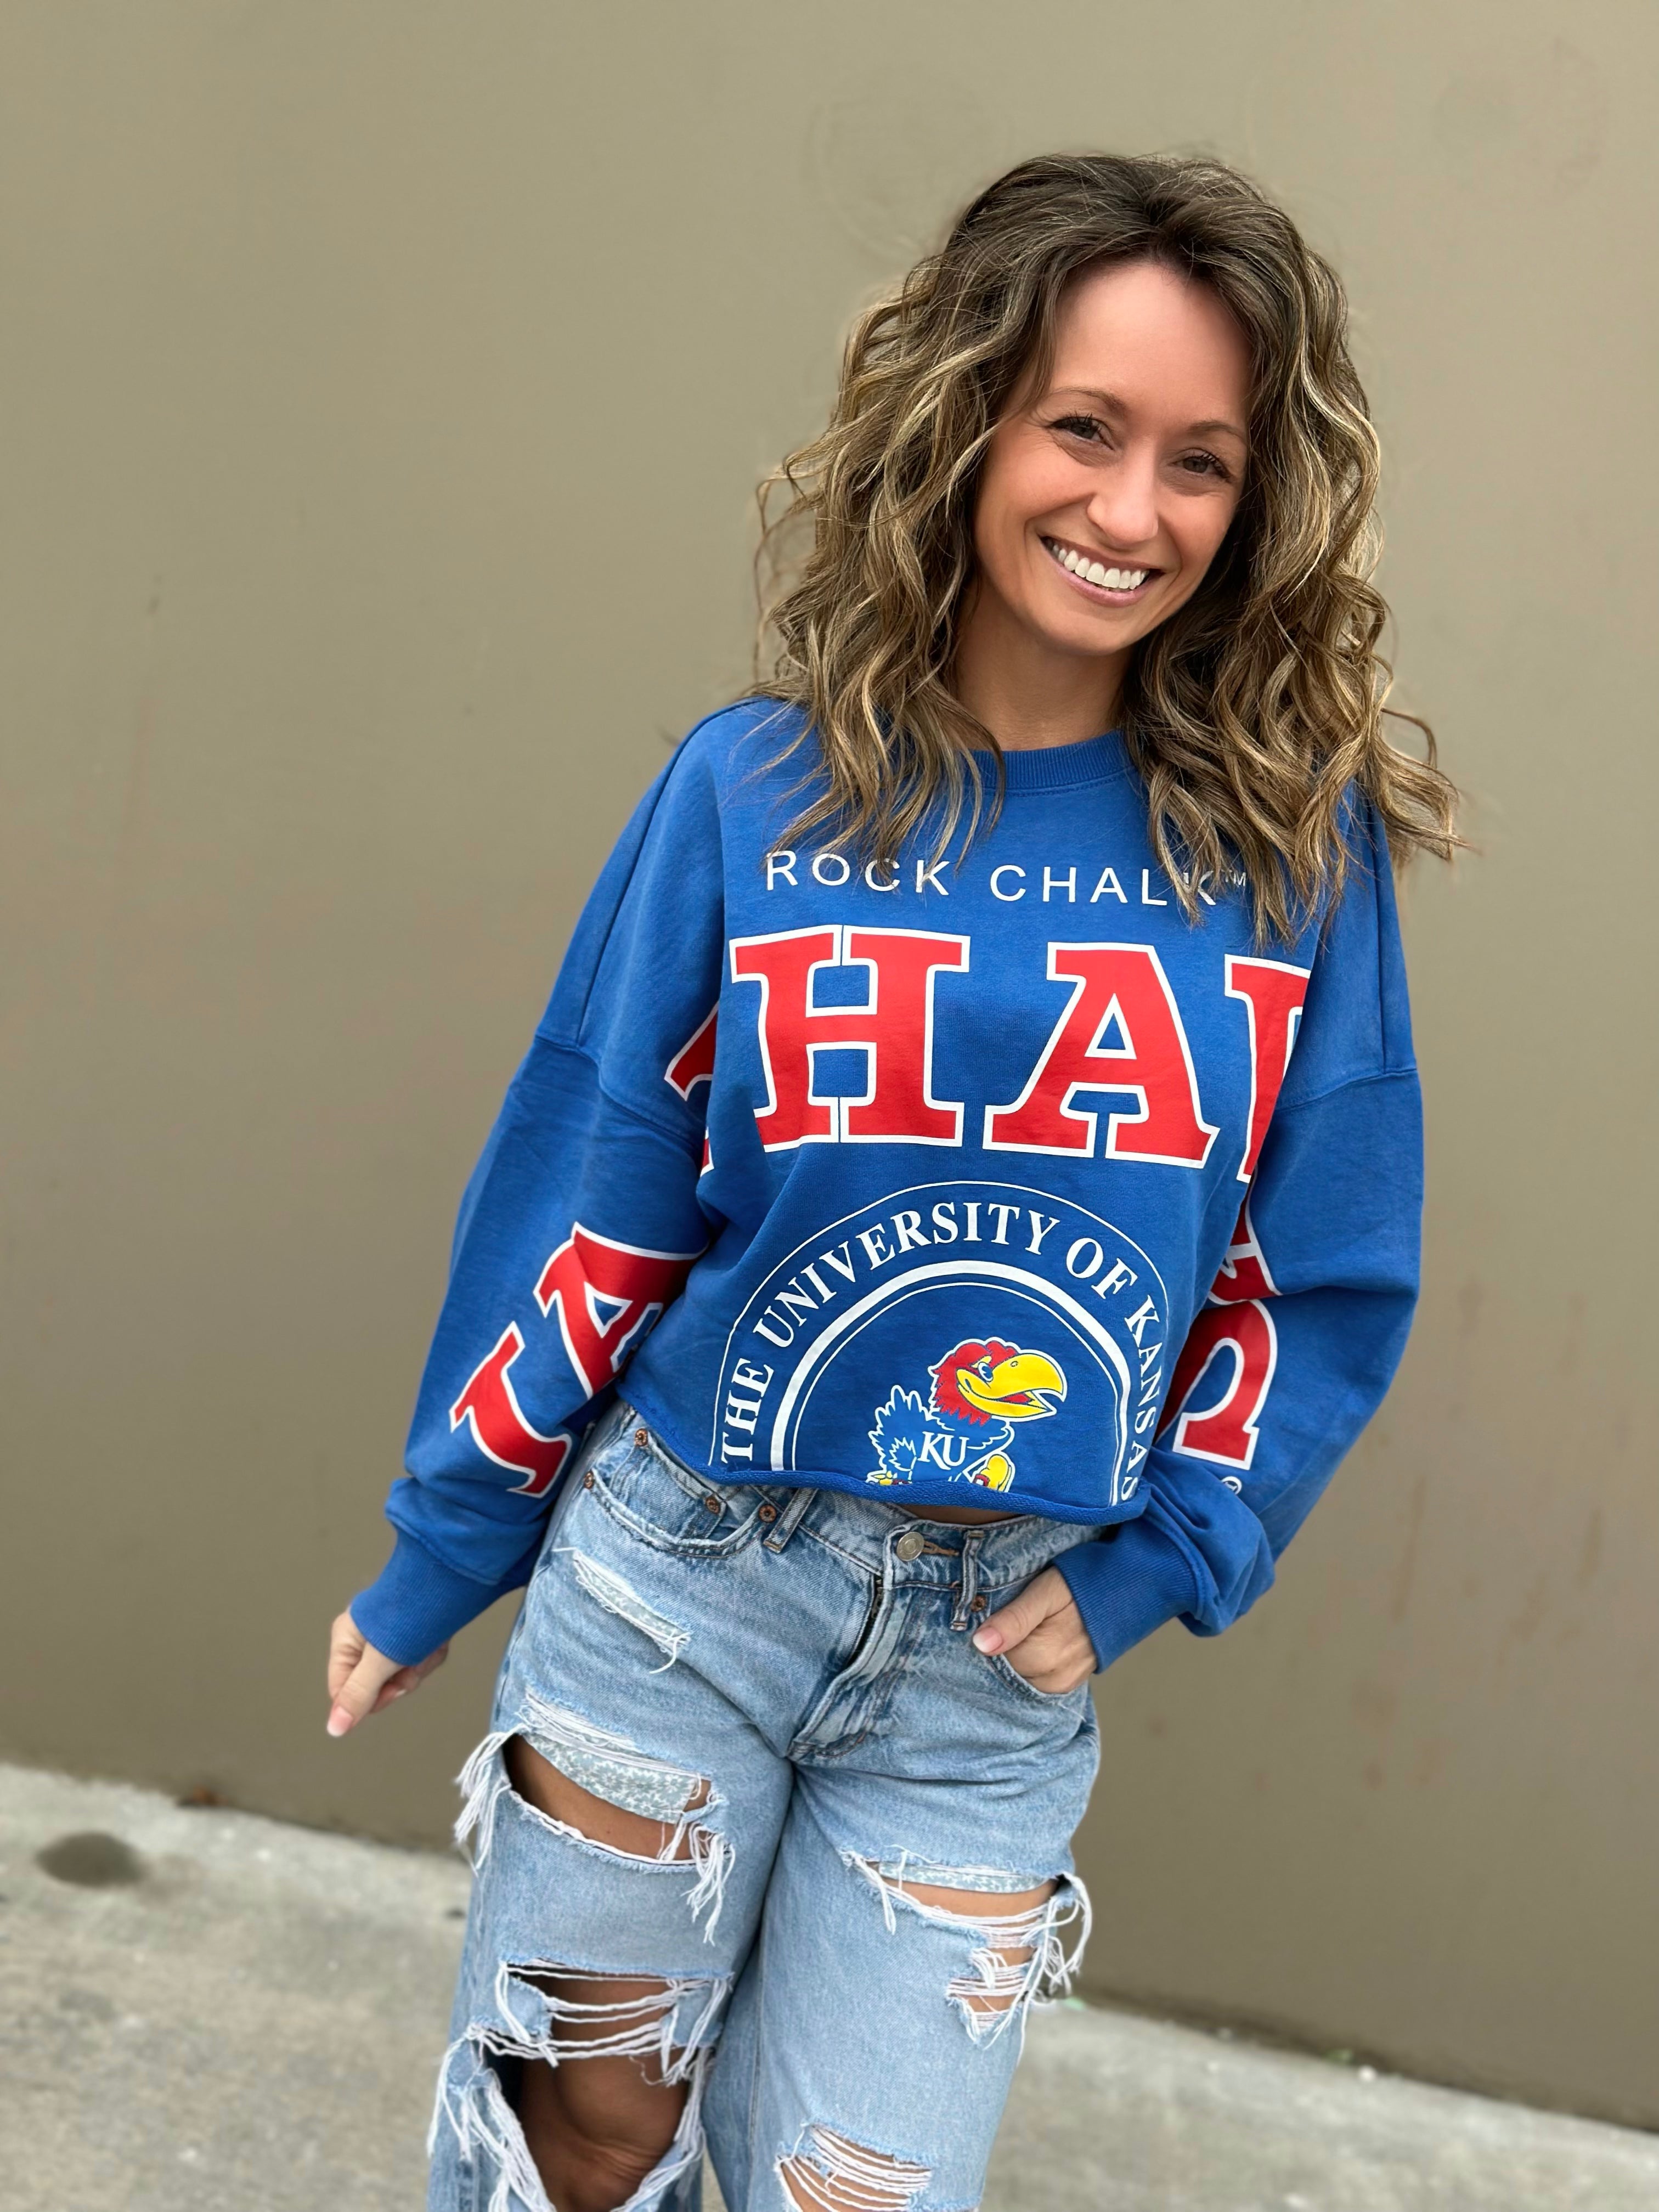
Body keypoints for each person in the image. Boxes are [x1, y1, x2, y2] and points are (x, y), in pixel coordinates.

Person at [325, 153, 1458, 2212]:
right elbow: (599, 1183)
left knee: (862, 2189)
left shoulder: (1292, 859)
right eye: (1084, 428)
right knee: (585, 2141)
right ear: (969, 424)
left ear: (1258, 504)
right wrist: (442, 1540)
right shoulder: (751, 789)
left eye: (1201, 462)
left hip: (992, 1660)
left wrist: (1162, 1561)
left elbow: (1327, 1267)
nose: (1134, 510)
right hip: (680, 1582)